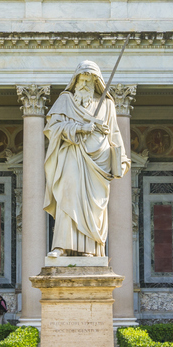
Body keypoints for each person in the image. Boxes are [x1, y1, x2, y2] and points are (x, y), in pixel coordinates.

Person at [43, 60, 130, 257]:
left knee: (93, 205)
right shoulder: (65, 101)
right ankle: (61, 246)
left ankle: (89, 250)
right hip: (72, 156)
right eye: (81, 80)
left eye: (88, 81)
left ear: (96, 83)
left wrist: (122, 158)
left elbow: (114, 133)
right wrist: (80, 128)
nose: (84, 85)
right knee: (68, 195)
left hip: (98, 162)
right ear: (75, 81)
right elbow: (52, 128)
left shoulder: (107, 105)